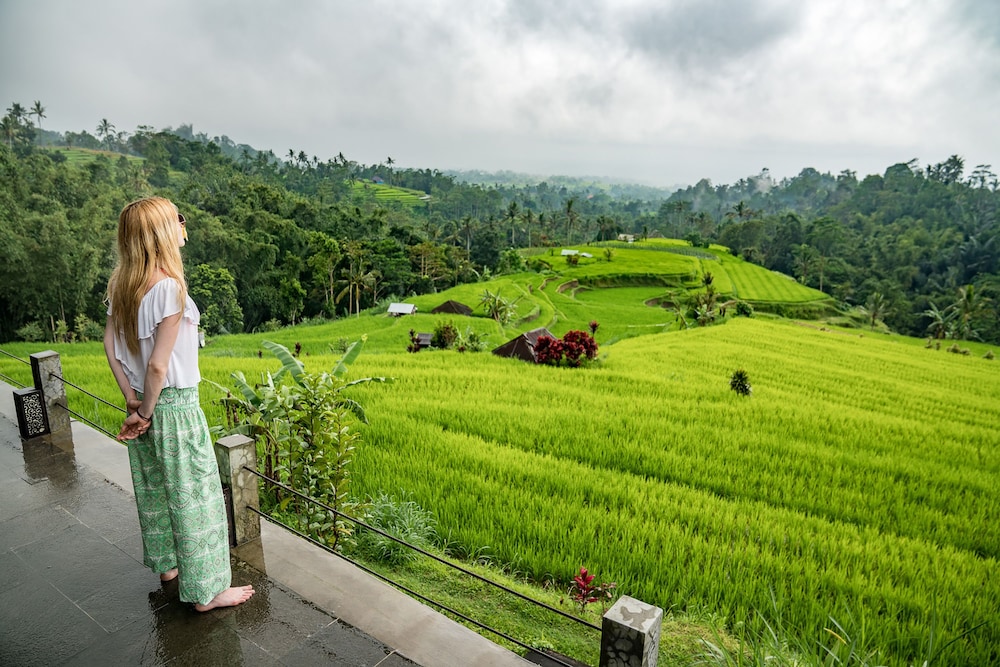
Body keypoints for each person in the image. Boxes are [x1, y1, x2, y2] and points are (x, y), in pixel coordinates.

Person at [104, 196, 254, 612]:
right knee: (197, 497)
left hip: (143, 404)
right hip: (175, 408)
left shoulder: (121, 284)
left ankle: (168, 568)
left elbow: (111, 349)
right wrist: (148, 411)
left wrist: (133, 404)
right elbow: (158, 365)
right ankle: (206, 593)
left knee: (155, 490)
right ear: (163, 233)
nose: (183, 226)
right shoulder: (169, 288)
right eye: (178, 220)